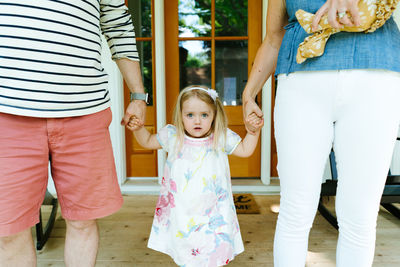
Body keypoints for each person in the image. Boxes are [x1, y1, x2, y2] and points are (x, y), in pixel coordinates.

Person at [242, 0, 400, 266]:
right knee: (295, 209)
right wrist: (249, 93)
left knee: (359, 215)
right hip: (301, 81)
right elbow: (273, 37)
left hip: (374, 77)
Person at [0, 1, 146, 266]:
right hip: (7, 115)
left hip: (84, 114)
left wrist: (138, 94)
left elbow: (118, 25)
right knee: (8, 230)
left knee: (83, 220)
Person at [130, 85, 263, 266]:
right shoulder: (173, 136)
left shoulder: (220, 136)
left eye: (204, 115)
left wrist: (253, 131)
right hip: (182, 212)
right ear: (181, 115)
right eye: (190, 115)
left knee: (212, 252)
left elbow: (246, 150)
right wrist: (138, 128)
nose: (197, 121)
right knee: (186, 251)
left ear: (214, 115)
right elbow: (146, 141)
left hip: (213, 212)